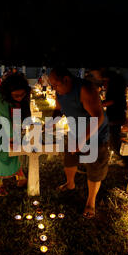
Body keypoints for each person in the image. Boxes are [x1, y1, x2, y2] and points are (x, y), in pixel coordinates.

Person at [49, 67, 110, 219]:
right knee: (70, 160)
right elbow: (58, 109)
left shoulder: (85, 89)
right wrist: (52, 121)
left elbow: (97, 117)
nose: (53, 88)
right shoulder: (60, 91)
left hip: (96, 134)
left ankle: (91, 202)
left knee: (95, 167)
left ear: (67, 80)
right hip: (76, 130)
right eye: (52, 85)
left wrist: (82, 140)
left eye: (55, 85)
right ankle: (70, 183)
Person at [88, 68, 127, 159]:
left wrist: (97, 104)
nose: (95, 76)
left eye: (95, 73)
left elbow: (113, 100)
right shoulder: (113, 80)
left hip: (115, 114)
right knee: (111, 136)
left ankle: (125, 159)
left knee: (114, 139)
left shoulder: (114, 82)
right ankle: (115, 154)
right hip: (115, 114)